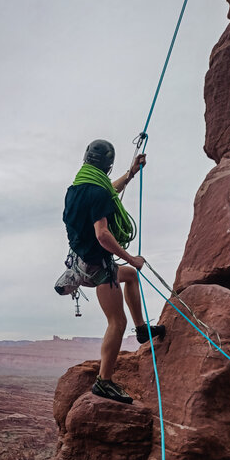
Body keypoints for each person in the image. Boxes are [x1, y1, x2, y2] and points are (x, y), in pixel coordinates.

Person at [59, 139, 165, 404]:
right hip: (98, 268)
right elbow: (103, 234)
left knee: (129, 276)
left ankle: (142, 331)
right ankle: (103, 382)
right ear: (107, 166)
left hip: (81, 263)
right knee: (117, 322)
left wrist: (130, 174)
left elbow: (107, 194)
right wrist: (131, 257)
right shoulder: (98, 193)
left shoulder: (76, 189)